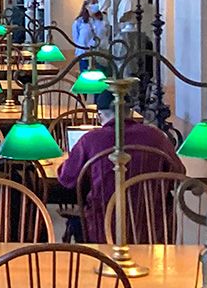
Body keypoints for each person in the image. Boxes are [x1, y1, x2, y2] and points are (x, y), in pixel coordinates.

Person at [55, 95, 180, 243]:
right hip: (152, 228)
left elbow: (67, 179)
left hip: (101, 228)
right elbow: (178, 175)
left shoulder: (90, 140)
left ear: (100, 115)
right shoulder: (157, 137)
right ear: (131, 112)